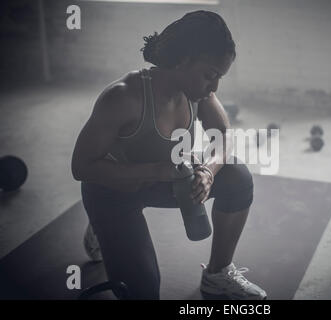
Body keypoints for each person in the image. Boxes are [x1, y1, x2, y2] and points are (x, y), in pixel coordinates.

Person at [71, 10, 266, 300]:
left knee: (236, 176)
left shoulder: (198, 92)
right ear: (183, 60)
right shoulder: (123, 97)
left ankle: (218, 274)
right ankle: (101, 225)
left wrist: (207, 172)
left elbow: (224, 136)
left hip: (169, 178)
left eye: (218, 77)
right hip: (112, 192)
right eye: (210, 75)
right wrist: (155, 171)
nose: (214, 86)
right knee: (143, 294)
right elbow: (81, 167)